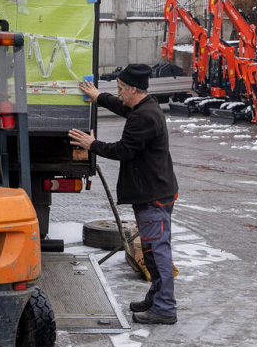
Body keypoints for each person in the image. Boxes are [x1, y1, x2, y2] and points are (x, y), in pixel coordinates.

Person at [69, 63, 179, 325]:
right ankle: (156, 298)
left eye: (119, 89)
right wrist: (99, 97)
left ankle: (165, 308)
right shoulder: (145, 106)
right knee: (151, 251)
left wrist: (91, 144)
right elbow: (123, 107)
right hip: (155, 191)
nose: (118, 93)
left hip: (153, 195)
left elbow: (123, 151)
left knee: (157, 250)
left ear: (132, 89)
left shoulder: (144, 117)